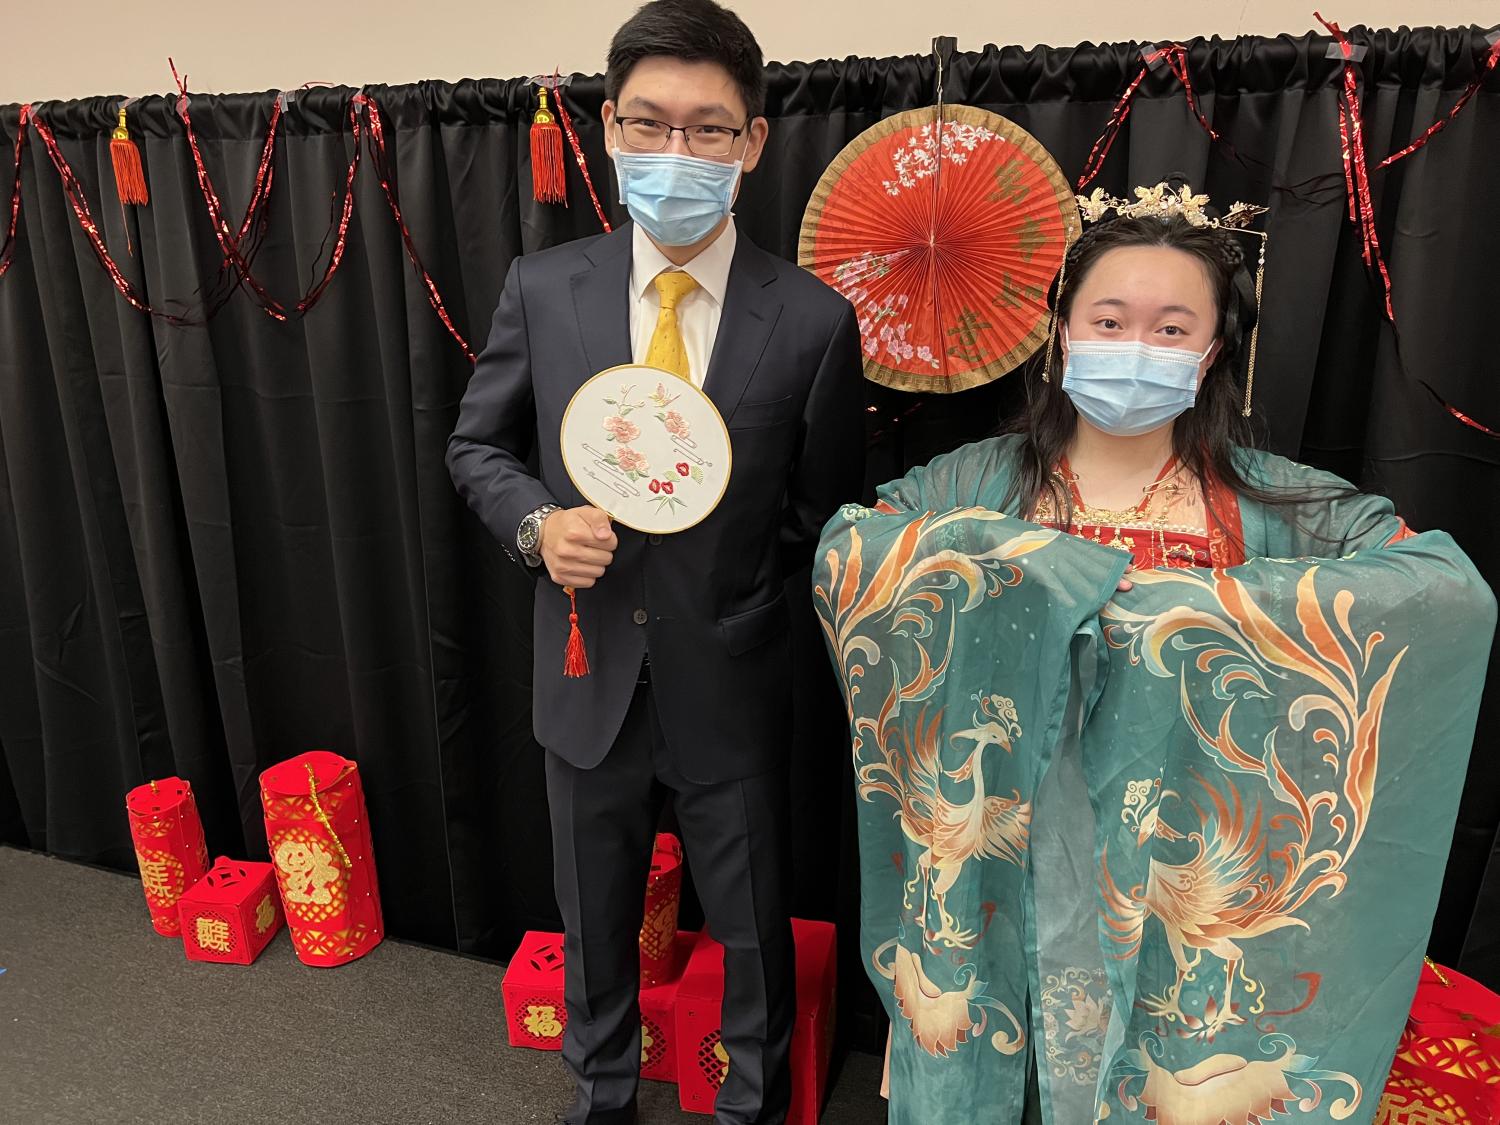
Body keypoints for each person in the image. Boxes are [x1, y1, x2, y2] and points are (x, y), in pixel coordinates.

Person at [813, 184, 1495, 1124]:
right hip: (1007, 837)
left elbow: (1437, 583)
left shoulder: (1277, 501)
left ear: (1213, 353)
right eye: (1110, 319)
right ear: (1061, 332)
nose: (1137, 346)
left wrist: (1200, 606)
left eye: (1173, 328)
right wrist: (1029, 568)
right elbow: (858, 545)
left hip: (1175, 848)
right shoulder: (975, 479)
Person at [447, 2, 865, 1121]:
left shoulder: (816, 320)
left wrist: (739, 597)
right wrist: (538, 527)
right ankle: (602, 1099)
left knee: (752, 926)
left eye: (708, 129)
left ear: (753, 144)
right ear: (608, 131)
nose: (675, 153)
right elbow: (477, 445)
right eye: (650, 124)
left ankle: (753, 1105)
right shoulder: (548, 288)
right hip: (583, 672)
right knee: (594, 917)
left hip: (731, 675)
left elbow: (821, 514)